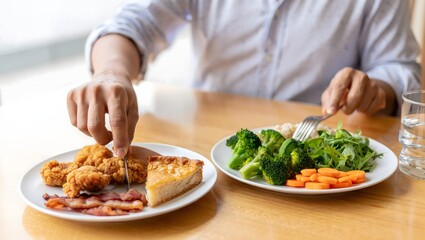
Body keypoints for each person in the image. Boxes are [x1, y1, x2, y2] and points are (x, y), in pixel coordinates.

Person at [67, 0, 421, 157]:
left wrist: (377, 88)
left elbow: (401, 68)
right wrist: (113, 71)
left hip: (313, 146)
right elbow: (132, 24)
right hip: (204, 150)